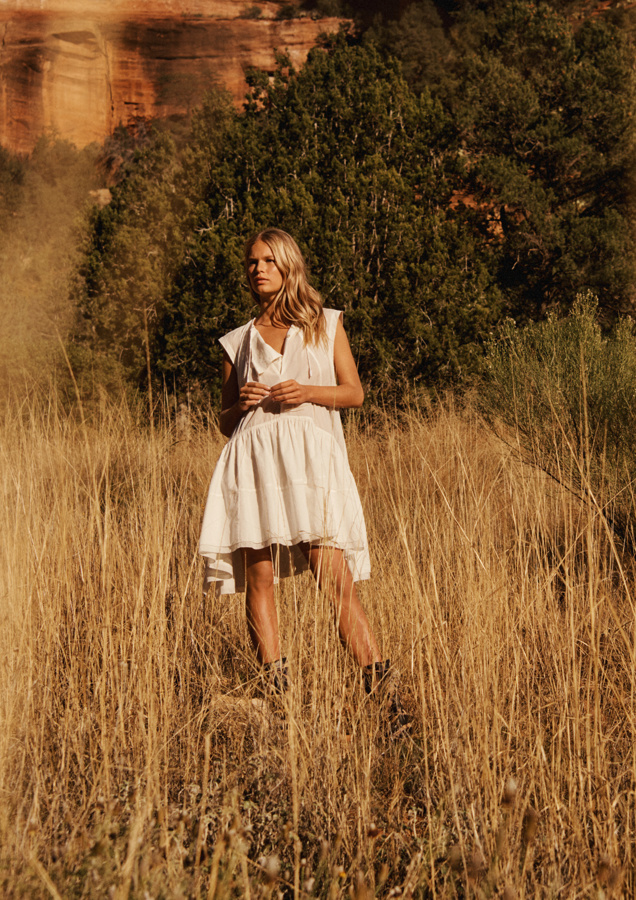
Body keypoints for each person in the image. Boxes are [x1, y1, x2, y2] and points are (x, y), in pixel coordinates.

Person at [199, 228, 405, 725]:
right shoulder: (236, 341)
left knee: (332, 576)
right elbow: (225, 422)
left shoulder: (325, 323)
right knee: (259, 577)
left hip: (311, 462)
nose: (258, 269)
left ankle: (384, 698)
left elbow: (354, 393)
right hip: (253, 461)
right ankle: (278, 700)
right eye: (252, 262)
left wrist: (308, 392)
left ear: (289, 264)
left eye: (268, 260)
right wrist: (240, 403)